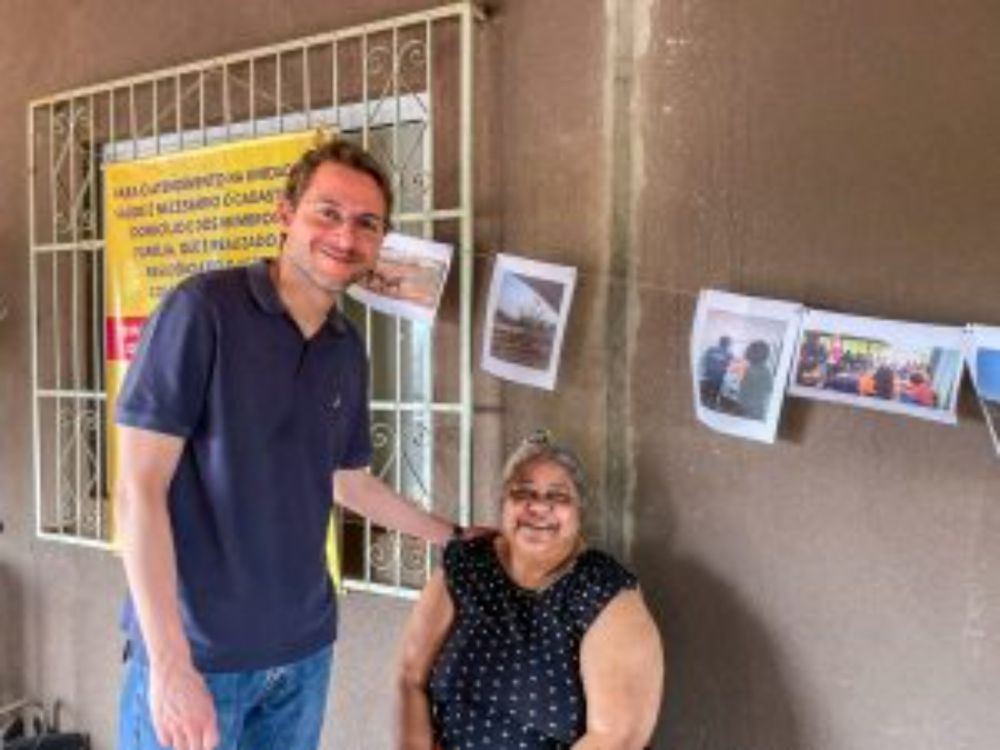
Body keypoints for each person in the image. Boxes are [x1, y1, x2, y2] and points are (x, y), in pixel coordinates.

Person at [115, 137, 467, 750]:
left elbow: (348, 481)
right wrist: (170, 666)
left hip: (302, 654)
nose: (344, 235)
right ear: (285, 216)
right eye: (326, 212)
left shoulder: (344, 346)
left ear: (379, 242)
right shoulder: (204, 310)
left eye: (366, 223)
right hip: (202, 657)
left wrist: (456, 537)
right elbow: (136, 492)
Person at [396, 431, 664, 750]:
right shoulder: (466, 565)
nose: (538, 507)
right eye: (522, 492)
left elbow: (618, 737)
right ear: (502, 505)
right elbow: (409, 677)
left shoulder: (603, 589)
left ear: (580, 513)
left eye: (559, 496)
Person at [736, 340, 774, 421]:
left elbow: (742, 389)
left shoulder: (748, 370)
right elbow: (769, 390)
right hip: (755, 411)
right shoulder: (766, 372)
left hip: (748, 411)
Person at [699, 335, 733, 408]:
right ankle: (711, 405)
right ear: (728, 344)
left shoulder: (711, 349)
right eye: (729, 343)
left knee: (704, 396)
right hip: (717, 378)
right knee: (713, 396)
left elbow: (704, 361)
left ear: (719, 342)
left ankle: (706, 404)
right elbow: (727, 366)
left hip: (708, 376)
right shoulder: (729, 354)